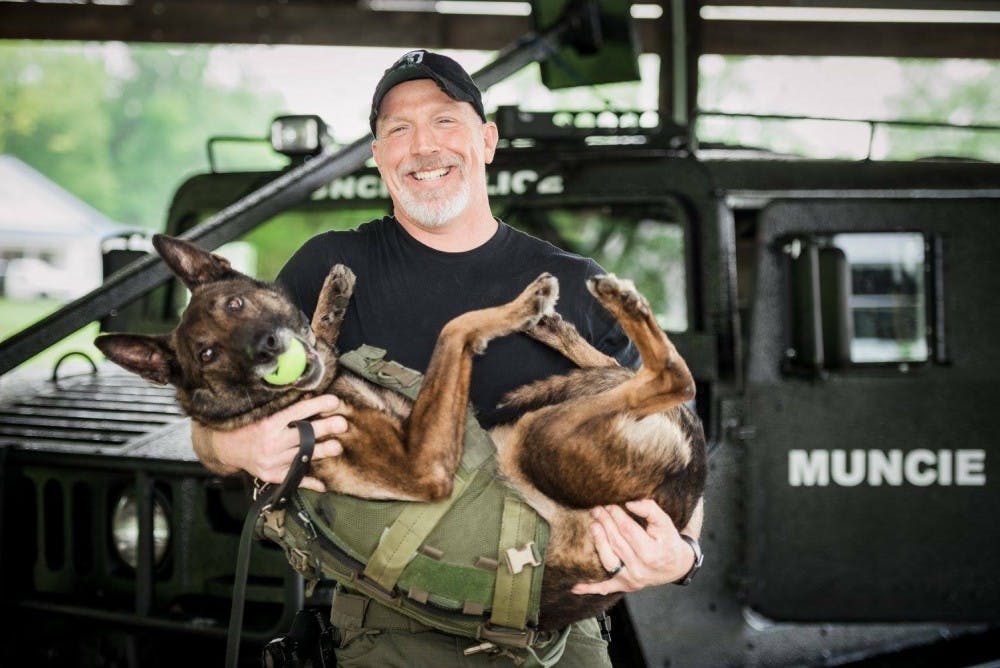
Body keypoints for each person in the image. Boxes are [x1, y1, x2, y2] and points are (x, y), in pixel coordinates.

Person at [192, 49, 704, 666]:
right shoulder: (326, 269)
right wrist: (233, 449)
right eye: (398, 131)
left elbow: (675, 450)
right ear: (378, 156)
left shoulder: (573, 282)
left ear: (485, 140)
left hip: (563, 636)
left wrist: (683, 554)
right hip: (390, 631)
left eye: (444, 122)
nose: (423, 147)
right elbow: (216, 416)